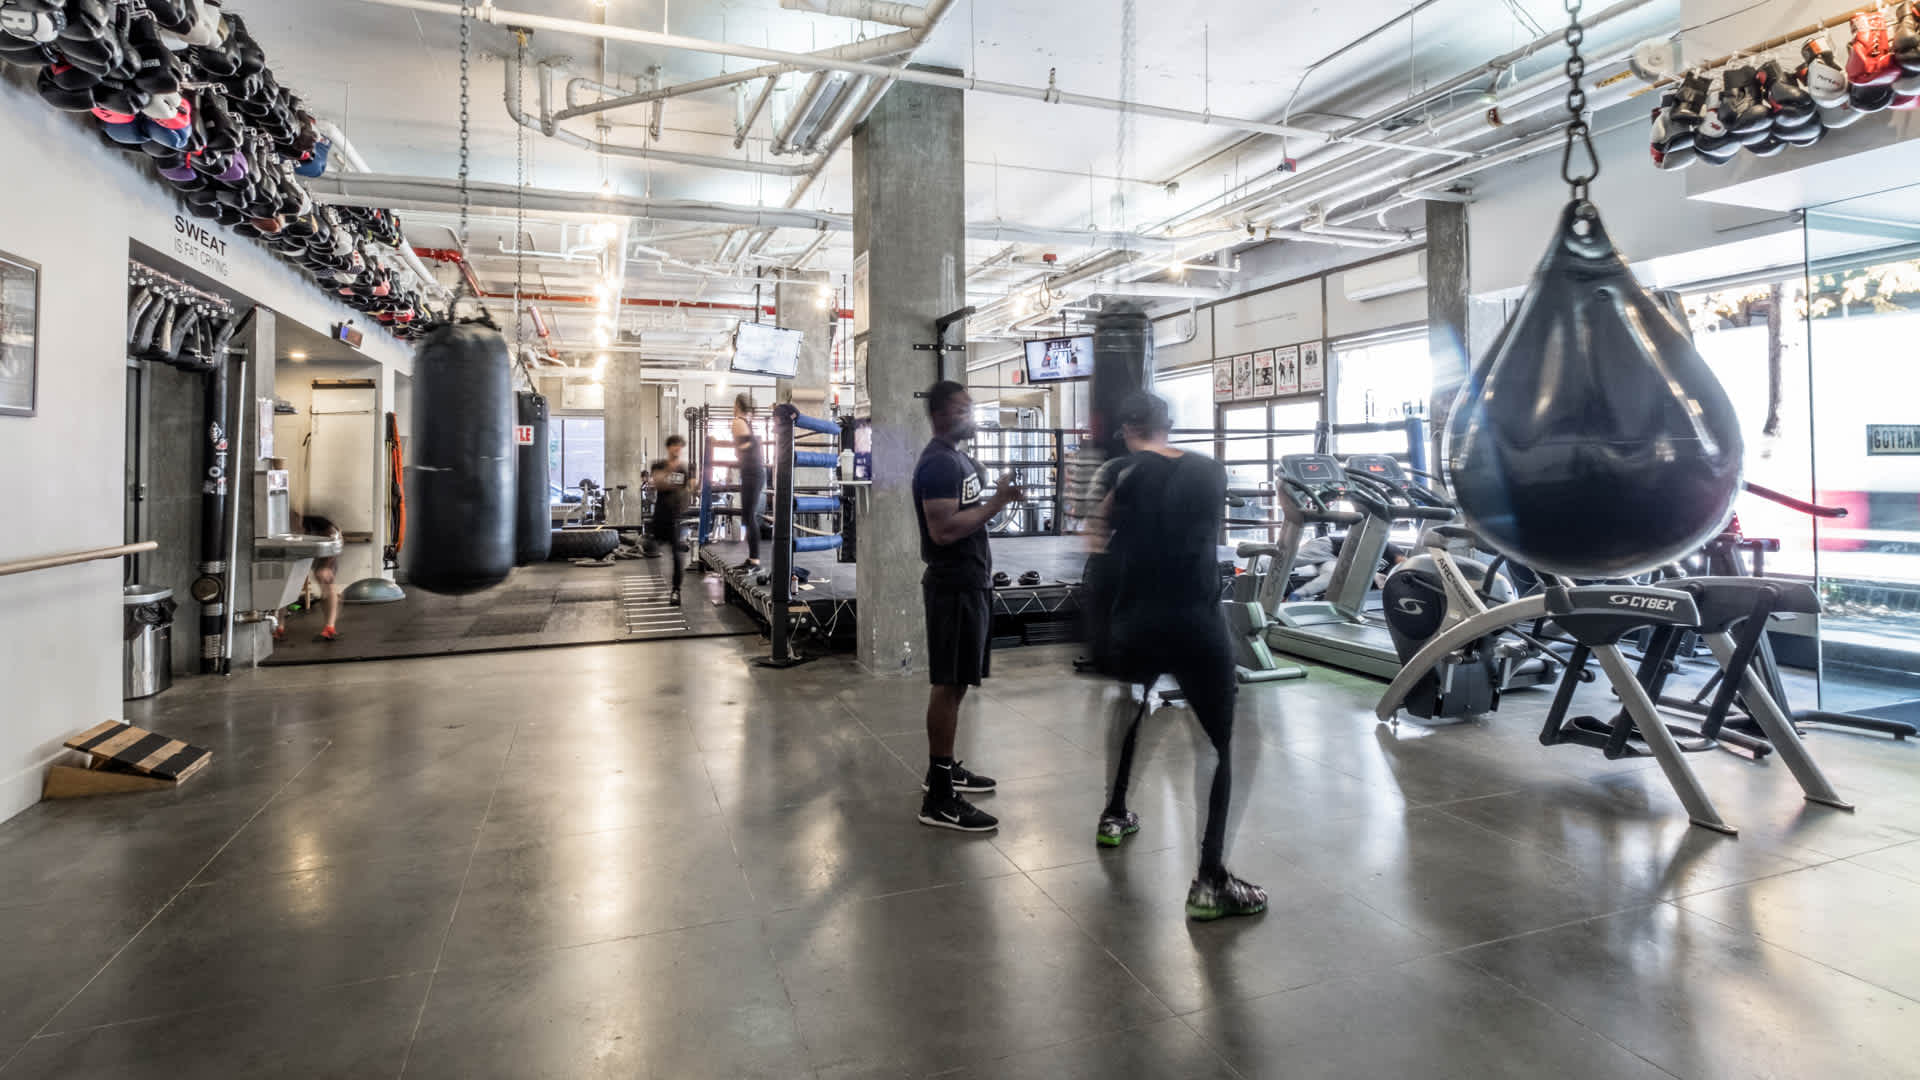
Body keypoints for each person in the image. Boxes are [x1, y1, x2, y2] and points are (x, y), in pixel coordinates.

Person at [1095, 391, 1267, 921]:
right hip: (1195, 621)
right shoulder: (1209, 471)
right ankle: (1211, 879)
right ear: (1168, 424)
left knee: (1130, 709)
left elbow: (1097, 533)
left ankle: (1114, 813)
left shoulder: (1121, 474)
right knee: (1217, 743)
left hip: (1137, 619)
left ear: (1128, 430)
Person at [913, 380, 1023, 832]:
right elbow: (942, 531)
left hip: (969, 581)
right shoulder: (939, 462)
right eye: (961, 410)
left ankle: (943, 770)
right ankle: (939, 798)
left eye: (970, 408)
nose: (970, 416)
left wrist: (993, 492)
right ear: (939, 415)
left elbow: (967, 510)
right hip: (953, 585)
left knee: (957, 683)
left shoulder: (957, 459)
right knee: (948, 684)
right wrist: (997, 502)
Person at [279, 511, 343, 643]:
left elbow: (335, 539)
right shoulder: (282, 529)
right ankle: (279, 627)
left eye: (295, 522)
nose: (294, 526)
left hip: (327, 552)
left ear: (300, 519)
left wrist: (326, 566)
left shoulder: (318, 523)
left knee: (325, 581)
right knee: (285, 585)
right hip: (302, 552)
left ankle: (330, 627)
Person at [649, 434, 693, 606]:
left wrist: (669, 480)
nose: (677, 448)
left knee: (677, 555)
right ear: (668, 447)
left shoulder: (683, 469)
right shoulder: (658, 465)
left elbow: (687, 489)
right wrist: (673, 482)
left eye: (680, 446)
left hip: (676, 517)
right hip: (660, 515)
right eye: (674, 445)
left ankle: (676, 591)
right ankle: (658, 586)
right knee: (650, 551)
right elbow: (659, 483)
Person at [732, 392, 764, 570]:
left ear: (737, 405)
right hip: (753, 472)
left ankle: (754, 560)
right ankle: (753, 559)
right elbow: (747, 447)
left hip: (752, 472)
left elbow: (743, 448)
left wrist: (739, 451)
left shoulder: (738, 422)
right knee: (747, 516)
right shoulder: (746, 423)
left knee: (749, 516)